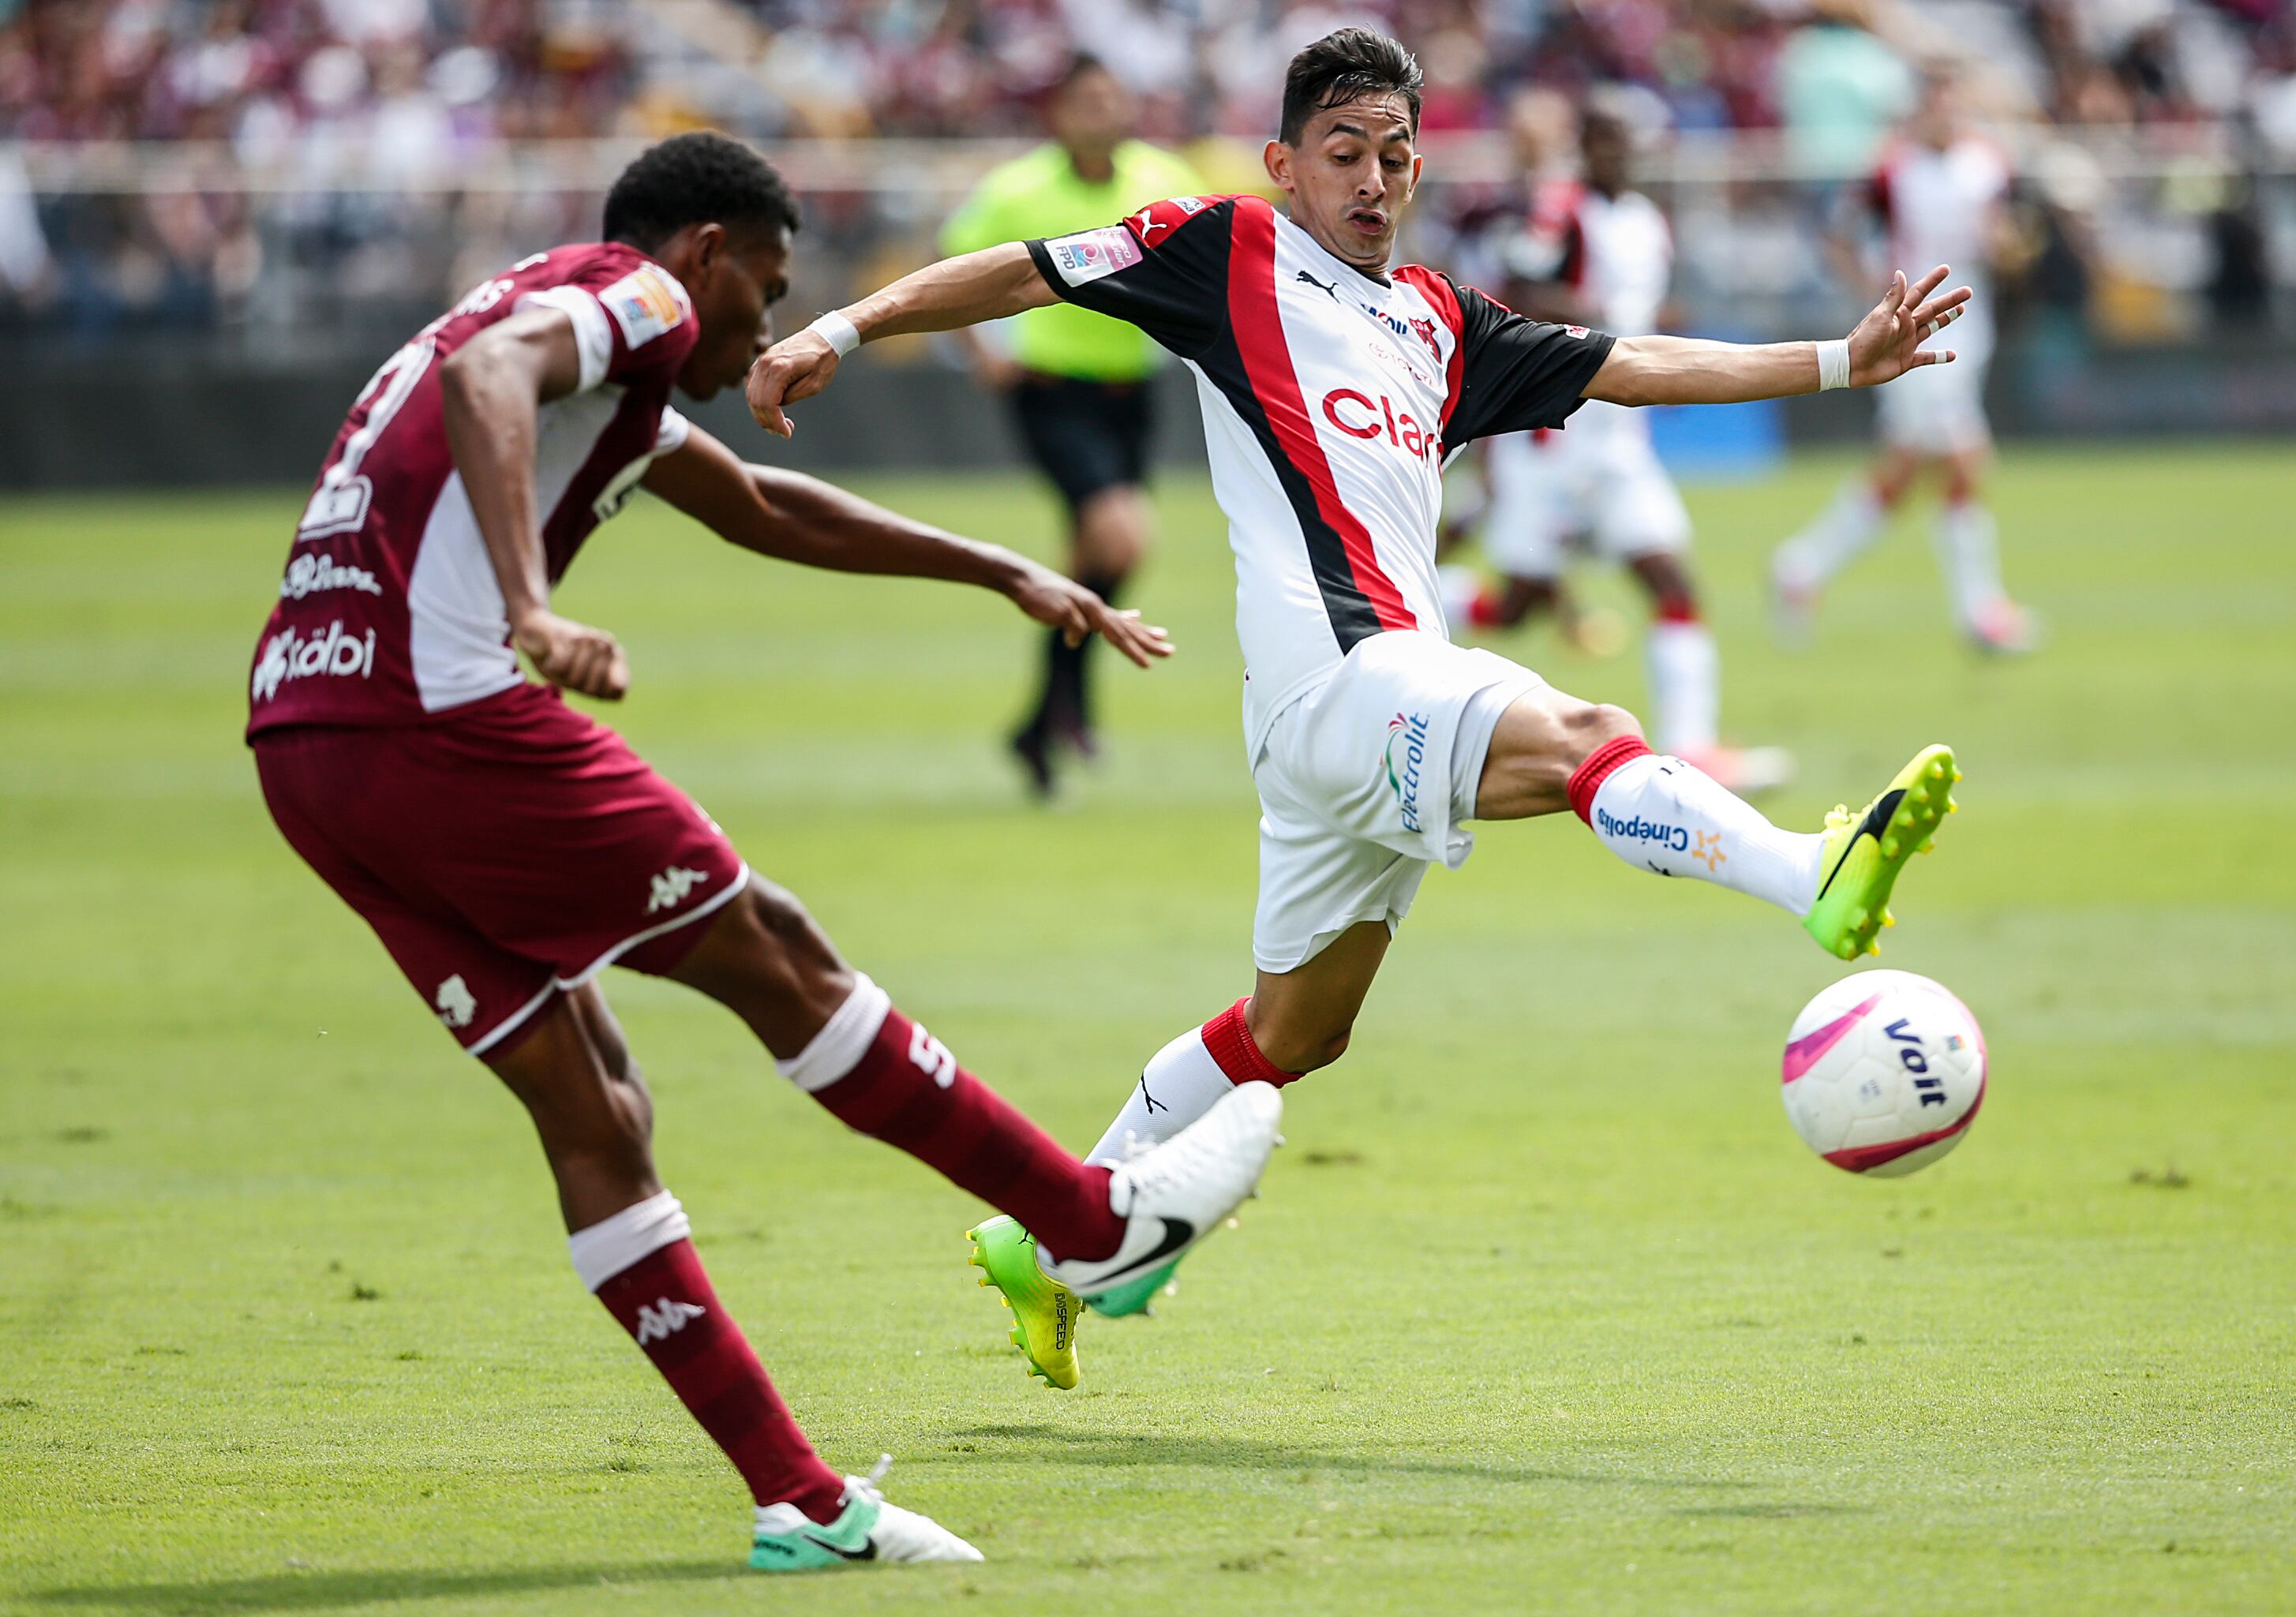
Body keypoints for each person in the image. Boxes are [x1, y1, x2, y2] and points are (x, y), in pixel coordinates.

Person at [747, 30, 1968, 1387]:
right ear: (1283, 163)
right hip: (1341, 680)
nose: (1372, 180)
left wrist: (1837, 360)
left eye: (1394, 155)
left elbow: (1630, 361)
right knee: (1583, 735)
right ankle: (1807, 872)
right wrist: (839, 326)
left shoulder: (1443, 321)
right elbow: (1024, 270)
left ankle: (1048, 1238)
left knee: (1293, 1032)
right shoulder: (1221, 250)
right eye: (1342, 153)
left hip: (1346, 709)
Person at [245, 132, 1283, 1570]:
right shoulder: (636, 296)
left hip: (307, 748)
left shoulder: (559, 333)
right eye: (771, 291)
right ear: (706, 253)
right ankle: (1088, 1224)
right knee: (771, 945)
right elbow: (492, 384)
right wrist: (532, 608)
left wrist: (1001, 569)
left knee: (596, 1108)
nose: (763, 331)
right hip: (439, 718)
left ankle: (801, 1502)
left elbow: (759, 503)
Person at [1451, 89, 1792, 794]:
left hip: (1618, 444)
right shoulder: (1559, 208)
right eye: (1604, 139)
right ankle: (1424, 597)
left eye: (1626, 140)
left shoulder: (1645, 221)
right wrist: (1603, 319)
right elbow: (1517, 292)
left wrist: (1657, 323)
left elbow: (1636, 311)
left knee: (1673, 582)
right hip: (1550, 443)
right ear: (1585, 145)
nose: (1618, 152)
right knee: (1516, 607)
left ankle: (1692, 749)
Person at [937, 54, 1206, 795]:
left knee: (1094, 556)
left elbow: (1208, 260)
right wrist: (980, 351)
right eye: (1085, 100)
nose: (1100, 111)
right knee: (1122, 538)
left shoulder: (1161, 177)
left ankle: (1040, 724)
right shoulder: (1017, 187)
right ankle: (1068, 707)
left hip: (1130, 391)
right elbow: (951, 256)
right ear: (1057, 112)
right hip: (1052, 390)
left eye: (1110, 98)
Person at [1770, 63, 2038, 653]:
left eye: (1952, 99)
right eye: (1934, 99)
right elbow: (1838, 233)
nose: (1944, 111)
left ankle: (1801, 567)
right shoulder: (1891, 168)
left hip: (1973, 324)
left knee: (1906, 470)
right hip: (1916, 331)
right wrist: (1874, 293)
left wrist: (2008, 247)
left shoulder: (1987, 162)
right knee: (1963, 459)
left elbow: (2000, 235)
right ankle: (1980, 611)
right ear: (1920, 105)